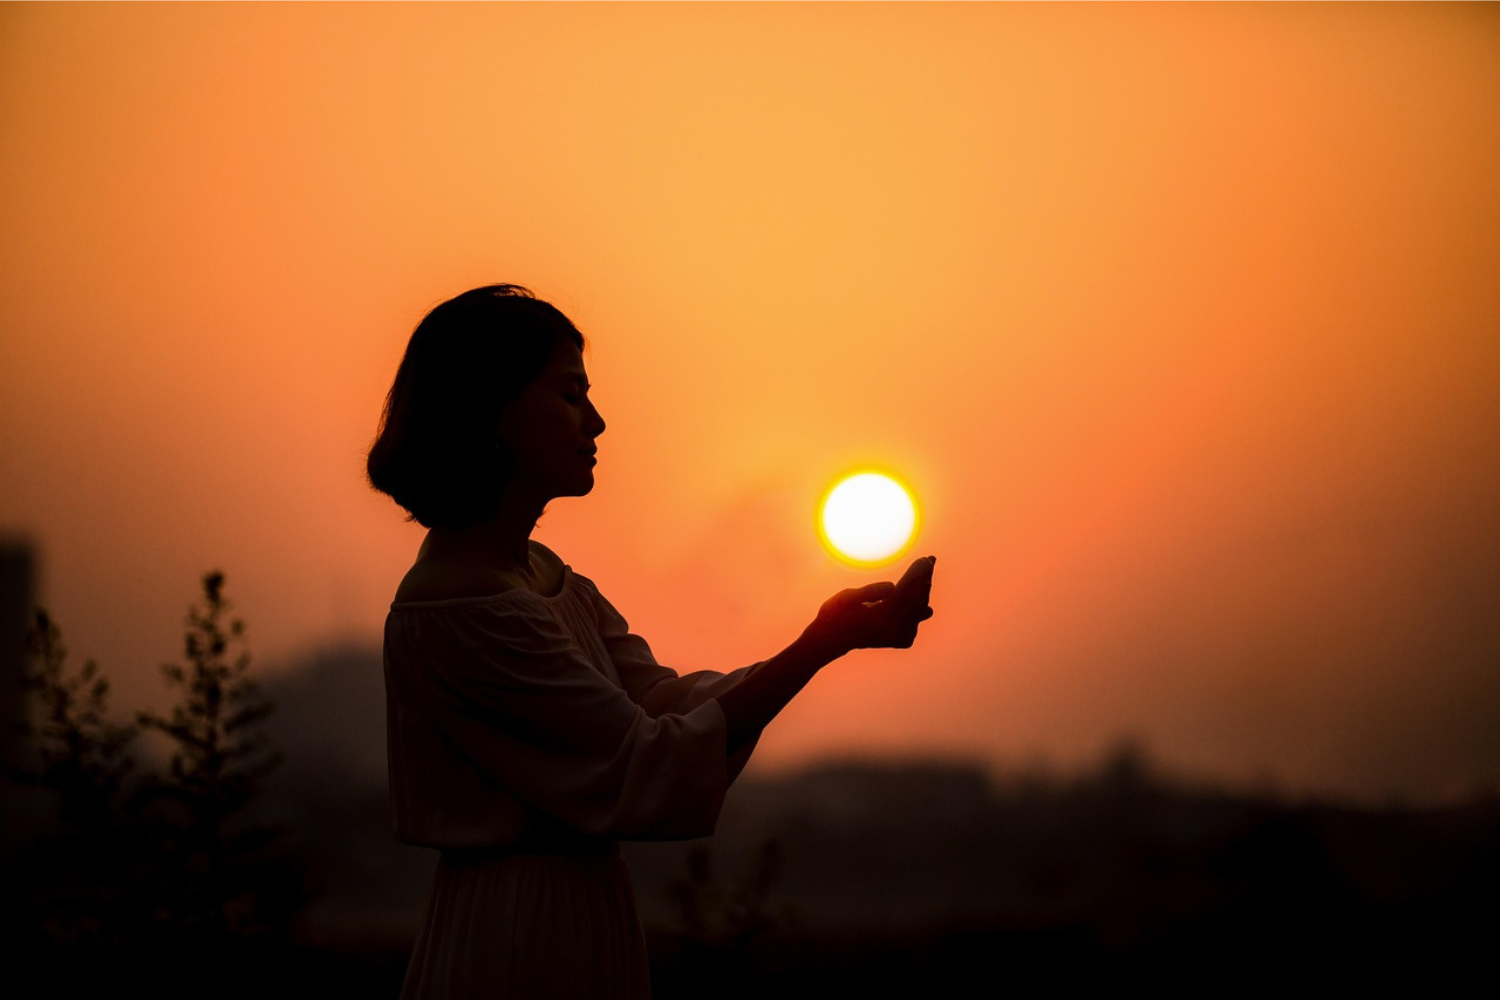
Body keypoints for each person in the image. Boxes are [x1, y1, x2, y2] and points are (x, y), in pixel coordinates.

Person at [367, 284, 934, 999]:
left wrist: (823, 643)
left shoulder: (547, 580)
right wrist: (815, 649)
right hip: (517, 938)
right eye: (571, 396)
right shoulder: (465, 607)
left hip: (579, 920)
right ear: (494, 413)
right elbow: (646, 757)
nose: (597, 422)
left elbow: (665, 705)